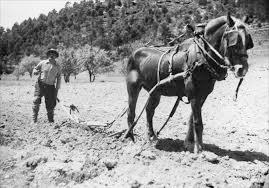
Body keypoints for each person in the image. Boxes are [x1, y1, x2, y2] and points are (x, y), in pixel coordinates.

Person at [32, 48, 61, 123]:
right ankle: (34, 120)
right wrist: (35, 71)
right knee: (36, 100)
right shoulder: (43, 63)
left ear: (55, 56)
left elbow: (59, 79)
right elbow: (35, 69)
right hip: (40, 85)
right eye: (50, 53)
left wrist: (56, 91)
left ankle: (51, 121)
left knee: (50, 104)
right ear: (48, 55)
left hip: (51, 87)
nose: (52, 55)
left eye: (53, 54)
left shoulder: (58, 66)